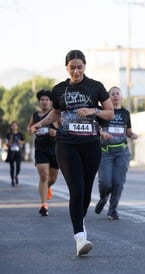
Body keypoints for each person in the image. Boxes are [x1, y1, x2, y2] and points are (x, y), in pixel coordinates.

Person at [30, 49, 114, 256]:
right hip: (66, 144)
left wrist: (93, 110)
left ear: (85, 66)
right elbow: (55, 113)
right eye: (72, 68)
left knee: (85, 192)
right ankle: (79, 237)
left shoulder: (96, 87)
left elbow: (110, 113)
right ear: (66, 68)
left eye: (79, 67)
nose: (76, 71)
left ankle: (79, 221)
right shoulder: (59, 89)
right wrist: (40, 123)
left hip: (90, 145)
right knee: (76, 189)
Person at [94, 86, 138, 220]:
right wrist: (102, 133)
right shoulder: (103, 111)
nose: (115, 96)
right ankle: (103, 198)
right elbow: (97, 129)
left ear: (121, 96)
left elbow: (128, 130)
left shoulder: (125, 113)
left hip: (122, 152)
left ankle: (112, 210)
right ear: (108, 97)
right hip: (105, 152)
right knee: (106, 182)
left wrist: (132, 134)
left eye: (117, 93)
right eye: (112, 94)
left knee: (118, 182)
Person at [27, 90, 60, 216]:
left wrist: (55, 133)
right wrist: (32, 129)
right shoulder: (35, 115)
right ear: (39, 101)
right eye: (42, 99)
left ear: (51, 102)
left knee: (52, 178)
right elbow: (30, 128)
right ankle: (44, 204)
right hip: (41, 149)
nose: (44, 102)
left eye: (47, 99)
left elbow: (64, 130)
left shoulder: (56, 115)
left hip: (55, 149)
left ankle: (48, 188)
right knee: (44, 177)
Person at [5, 121, 25, 187]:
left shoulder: (20, 134)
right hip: (11, 152)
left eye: (15, 125)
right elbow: (7, 144)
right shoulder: (8, 134)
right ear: (11, 127)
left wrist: (19, 141)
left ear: (17, 127)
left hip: (18, 152)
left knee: (18, 166)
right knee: (12, 167)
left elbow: (23, 142)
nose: (14, 126)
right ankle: (12, 180)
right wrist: (10, 139)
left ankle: (16, 176)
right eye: (13, 125)